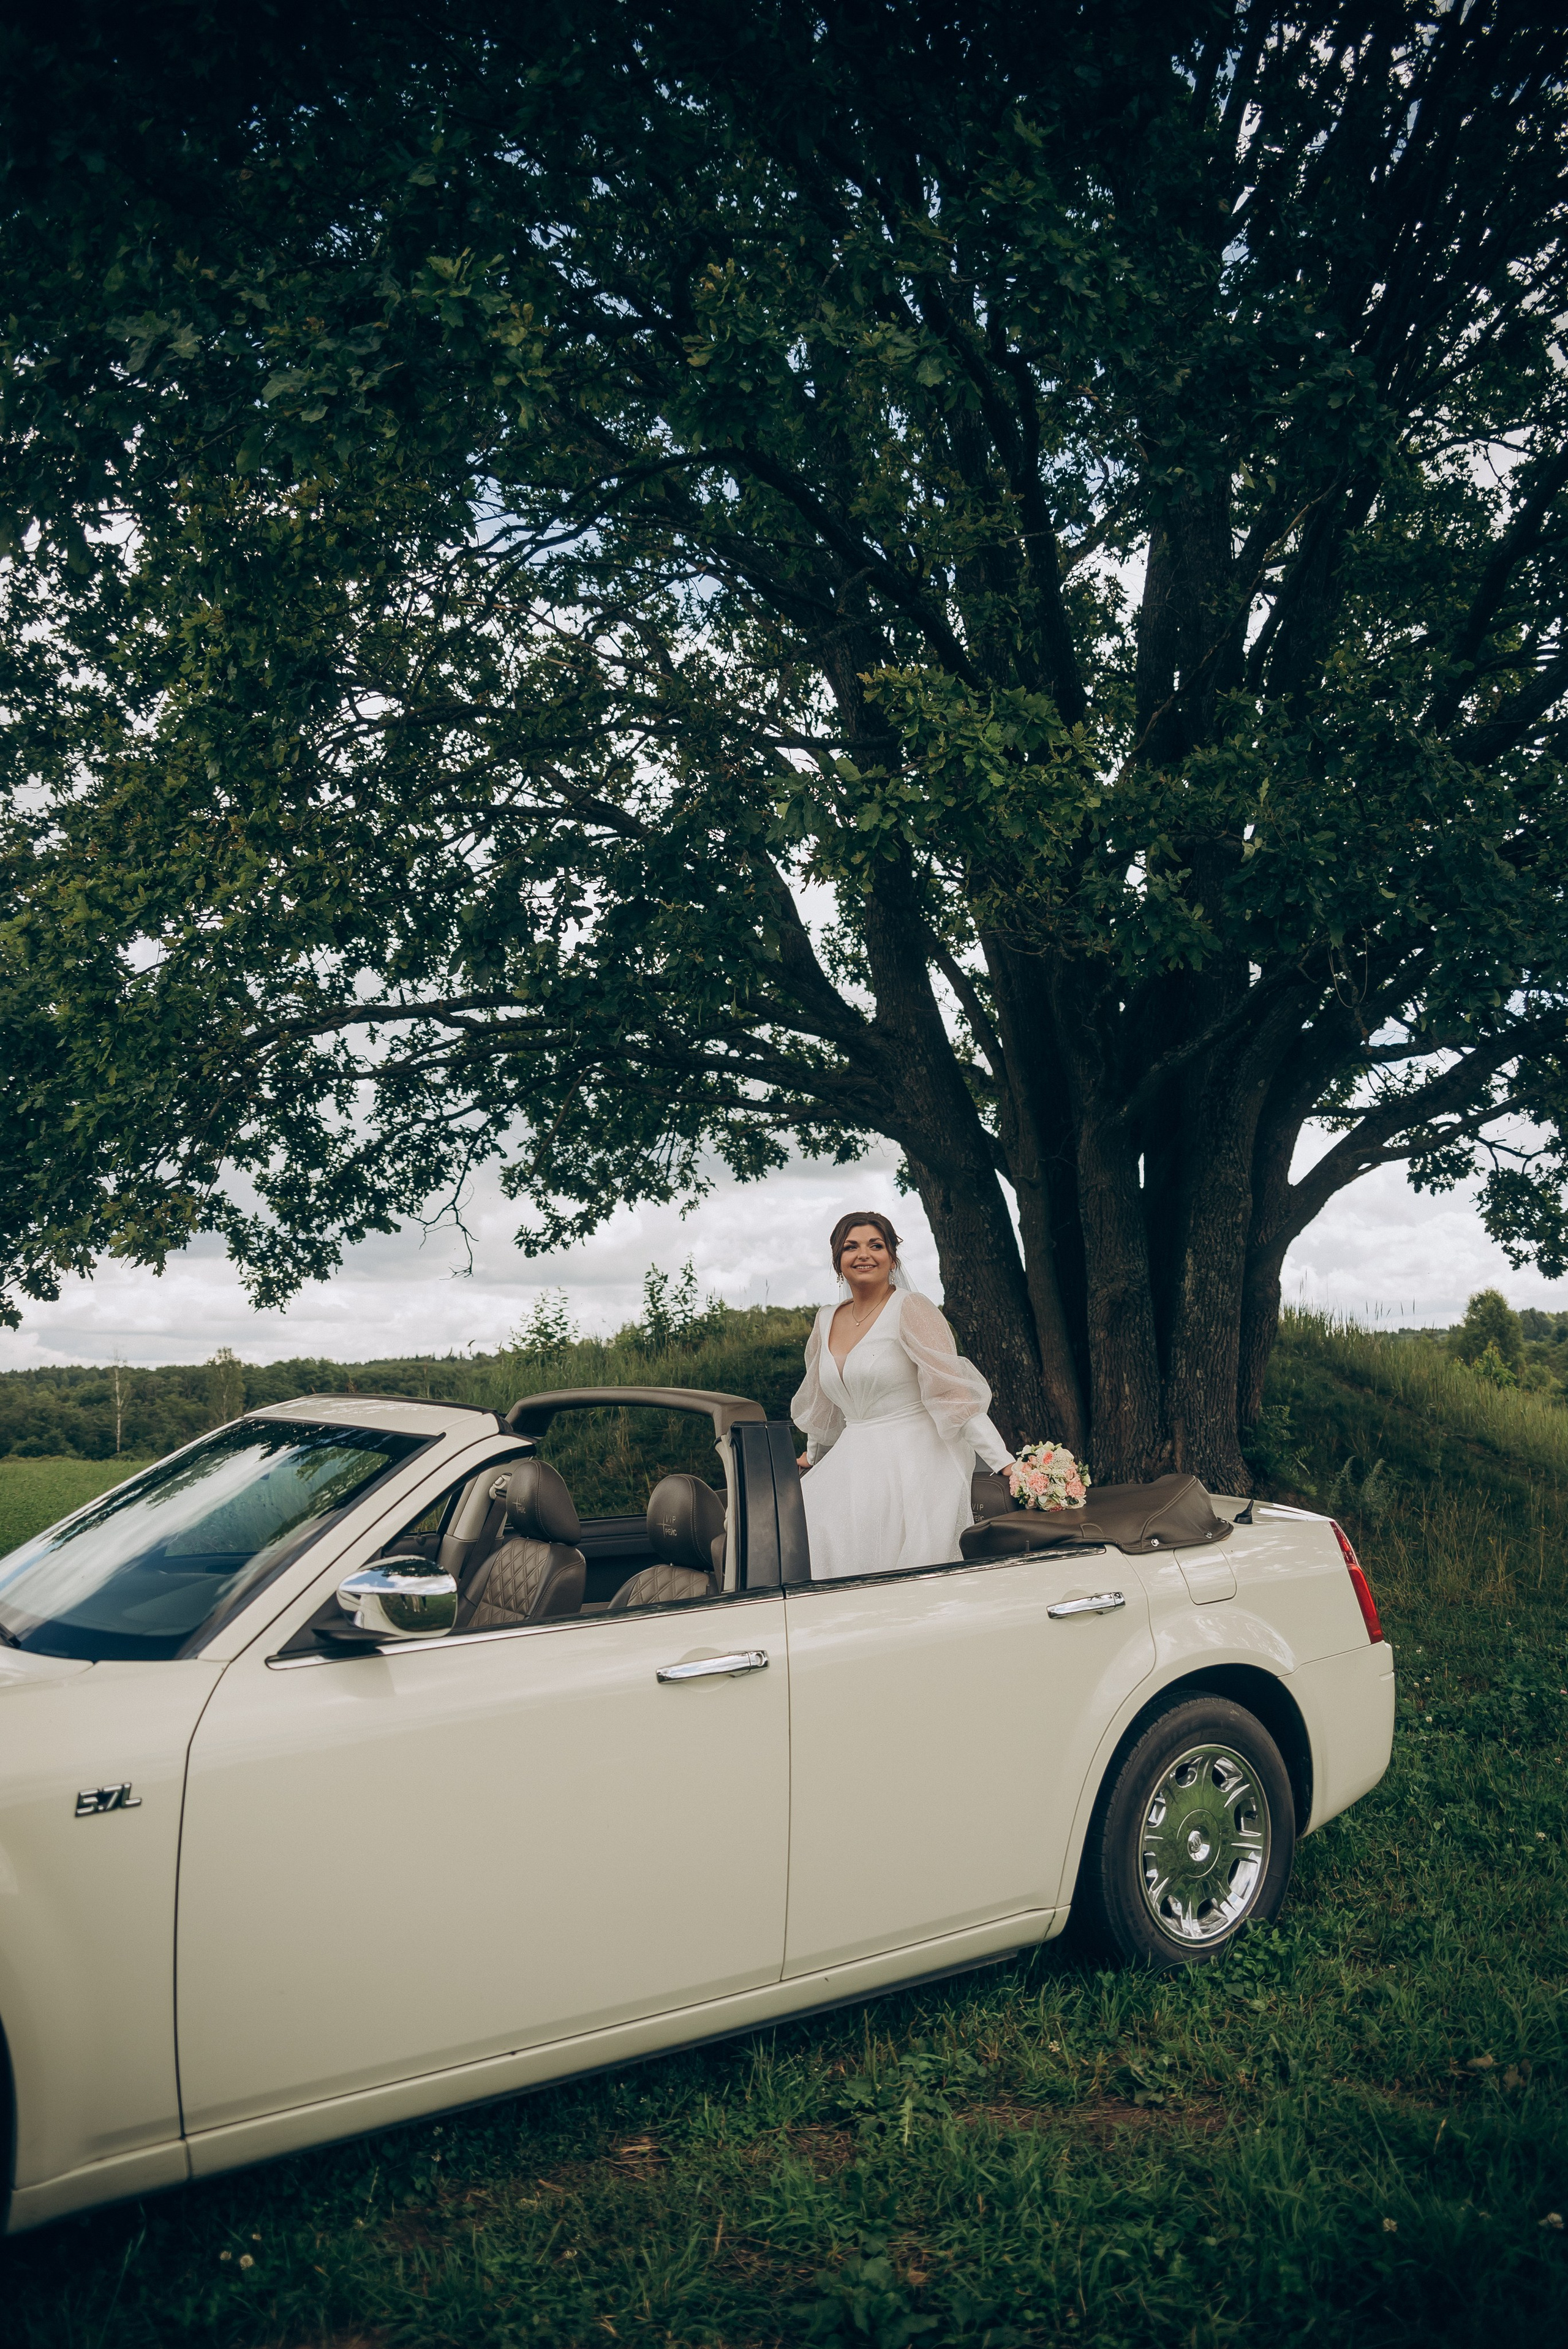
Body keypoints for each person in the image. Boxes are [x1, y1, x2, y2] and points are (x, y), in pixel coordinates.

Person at [791, 1212, 1014, 1578]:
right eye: (851, 1247)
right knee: (809, 1529)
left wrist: (1004, 1462)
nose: (864, 1254)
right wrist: (812, 1457)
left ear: (892, 1258)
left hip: (914, 1457)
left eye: (876, 1245)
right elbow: (824, 1404)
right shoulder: (825, 1319)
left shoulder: (911, 1308)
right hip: (854, 1455)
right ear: (838, 1261)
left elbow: (954, 1394)